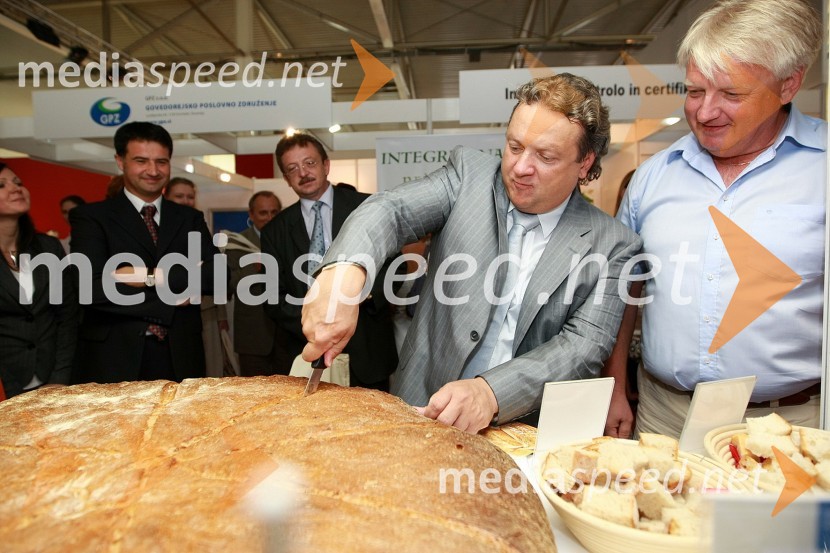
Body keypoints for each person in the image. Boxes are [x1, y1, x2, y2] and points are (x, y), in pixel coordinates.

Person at [299, 73, 642, 433]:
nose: (521, 168)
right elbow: (391, 210)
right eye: (514, 146)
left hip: (524, 429)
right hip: (422, 408)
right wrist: (344, 271)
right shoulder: (468, 178)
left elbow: (582, 348)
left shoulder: (612, 244)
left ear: (584, 163)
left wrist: (491, 393)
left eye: (545, 156)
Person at [610, 0, 825, 438]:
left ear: (789, 85)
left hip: (789, 425)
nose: (705, 112)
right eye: (694, 91)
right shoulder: (653, 177)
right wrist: (615, 387)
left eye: (731, 94)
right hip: (664, 416)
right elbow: (622, 293)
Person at [70, 122, 224, 384]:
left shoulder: (188, 218)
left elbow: (218, 278)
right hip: (116, 357)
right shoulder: (92, 218)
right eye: (141, 161)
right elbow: (91, 287)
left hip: (181, 355)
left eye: (161, 162)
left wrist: (150, 276)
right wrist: (174, 295)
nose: (153, 171)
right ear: (120, 161)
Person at [259, 133, 398, 390]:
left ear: (326, 165)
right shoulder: (274, 231)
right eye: (293, 169)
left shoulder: (368, 207)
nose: (303, 172)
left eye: (309, 163)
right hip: (307, 352)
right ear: (286, 179)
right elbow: (272, 297)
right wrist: (316, 326)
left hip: (367, 349)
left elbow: (394, 266)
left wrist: (358, 297)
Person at [0, 162, 79, 398]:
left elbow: (67, 315)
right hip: (7, 382)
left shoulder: (48, 247)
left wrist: (59, 378)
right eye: (1, 185)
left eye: (18, 182)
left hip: (54, 378)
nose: (15, 189)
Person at [162, 176, 231, 378]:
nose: (185, 201)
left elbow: (215, 272)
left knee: (204, 369)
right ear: (165, 196)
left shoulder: (197, 225)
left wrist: (221, 316)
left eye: (190, 196)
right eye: (179, 196)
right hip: (164, 314)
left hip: (203, 309)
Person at [226, 191, 294, 376]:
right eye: (263, 213)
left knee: (291, 393)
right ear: (251, 214)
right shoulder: (236, 243)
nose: (270, 217)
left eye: (275, 212)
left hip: (288, 334)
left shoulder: (290, 239)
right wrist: (254, 267)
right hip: (252, 337)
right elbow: (228, 284)